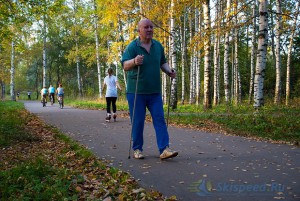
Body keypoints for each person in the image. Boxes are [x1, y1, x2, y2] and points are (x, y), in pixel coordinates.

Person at [121, 18, 178, 160]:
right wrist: (134, 61)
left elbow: (162, 62)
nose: (149, 30)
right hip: (136, 92)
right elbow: (125, 65)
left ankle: (164, 149)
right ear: (139, 30)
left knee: (159, 119)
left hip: (154, 92)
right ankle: (137, 150)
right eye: (146, 27)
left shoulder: (158, 46)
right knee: (138, 122)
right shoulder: (132, 47)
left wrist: (169, 71)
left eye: (151, 27)